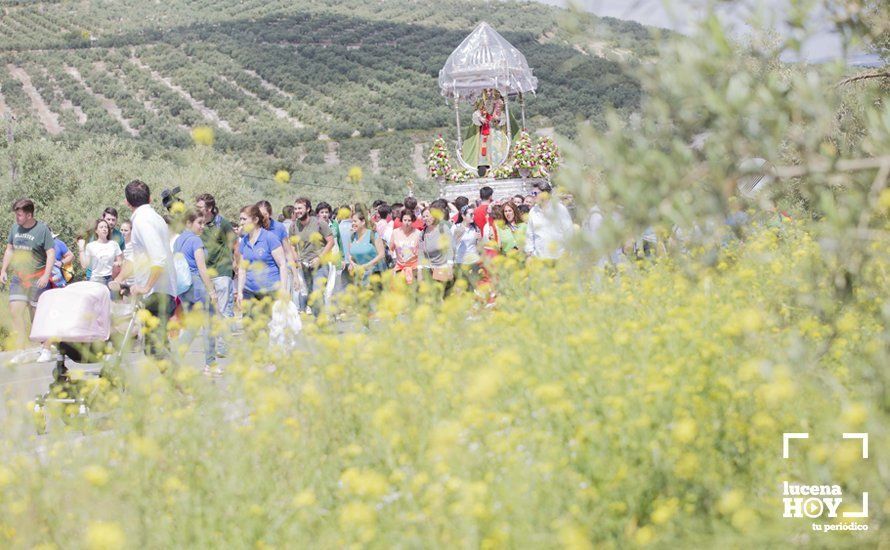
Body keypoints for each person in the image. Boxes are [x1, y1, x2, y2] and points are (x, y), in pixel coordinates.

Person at [110, 181, 177, 358]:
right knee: (156, 348)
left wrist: (146, 287)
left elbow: (159, 258)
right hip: (158, 292)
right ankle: (176, 383)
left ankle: (181, 384)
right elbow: (135, 258)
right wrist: (119, 279)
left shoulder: (143, 221)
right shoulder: (151, 218)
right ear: (150, 198)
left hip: (157, 292)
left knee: (155, 350)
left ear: (127, 202)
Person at [0, 199, 56, 355]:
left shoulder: (42, 230)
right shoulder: (14, 229)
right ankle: (21, 350)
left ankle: (46, 347)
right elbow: (10, 249)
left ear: (29, 214)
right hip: (19, 277)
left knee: (36, 316)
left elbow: (50, 253)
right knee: (15, 311)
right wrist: (3, 270)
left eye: (19, 215)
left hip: (37, 278)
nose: (17, 218)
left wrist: (46, 275)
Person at [174, 211, 219, 374]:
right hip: (197, 286)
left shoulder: (178, 240)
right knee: (209, 324)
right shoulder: (195, 240)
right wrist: (212, 291)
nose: (202, 226)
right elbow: (202, 269)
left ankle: (176, 356)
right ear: (189, 223)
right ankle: (211, 364)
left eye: (203, 223)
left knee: (193, 325)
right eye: (199, 223)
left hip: (184, 288)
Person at [196, 193, 236, 357]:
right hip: (205, 274)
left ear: (210, 208)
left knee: (224, 310)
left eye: (200, 207)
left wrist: (235, 264)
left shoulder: (222, 223)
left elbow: (234, 243)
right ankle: (210, 345)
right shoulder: (197, 224)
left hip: (222, 272)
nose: (197, 210)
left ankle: (222, 346)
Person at [236, 205, 287, 314]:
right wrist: (240, 292)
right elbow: (242, 269)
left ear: (255, 219)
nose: (241, 223)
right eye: (240, 219)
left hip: (270, 292)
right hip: (249, 292)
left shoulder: (270, 238)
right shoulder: (244, 241)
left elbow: (282, 265)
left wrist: (283, 289)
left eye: (244, 219)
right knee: (250, 328)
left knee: (268, 328)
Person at [288, 198, 334, 316]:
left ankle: (321, 322)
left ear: (308, 209)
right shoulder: (293, 226)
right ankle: (321, 320)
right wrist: (297, 259)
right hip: (305, 266)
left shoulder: (319, 223)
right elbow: (292, 246)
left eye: (300, 208)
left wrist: (320, 258)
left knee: (317, 292)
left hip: (321, 265)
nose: (297, 211)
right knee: (311, 296)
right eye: (296, 208)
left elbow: (331, 242)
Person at [525, 183, 575, 260]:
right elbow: (530, 234)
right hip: (539, 258)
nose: (533, 196)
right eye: (532, 193)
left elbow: (569, 232)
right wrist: (529, 254)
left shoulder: (560, 209)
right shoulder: (533, 211)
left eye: (535, 193)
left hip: (559, 257)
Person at [419, 200, 454, 296]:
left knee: (442, 296)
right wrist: (420, 271)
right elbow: (421, 253)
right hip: (429, 269)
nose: (426, 218)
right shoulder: (423, 233)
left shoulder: (443, 229)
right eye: (424, 216)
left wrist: (450, 267)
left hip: (442, 268)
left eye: (428, 215)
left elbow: (450, 249)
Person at [77, 219, 123, 290]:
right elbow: (84, 265)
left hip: (111, 279)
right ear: (96, 231)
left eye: (106, 227)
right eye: (101, 227)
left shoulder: (114, 244)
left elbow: (120, 261)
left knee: (111, 301)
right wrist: (81, 249)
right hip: (96, 280)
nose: (104, 229)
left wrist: (117, 264)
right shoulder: (91, 246)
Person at [348, 211, 385, 287]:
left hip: (375, 274)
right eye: (352, 221)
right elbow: (350, 254)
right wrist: (352, 264)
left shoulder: (373, 235)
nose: (352, 223)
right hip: (359, 275)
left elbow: (381, 254)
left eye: (355, 221)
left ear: (363, 222)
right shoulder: (352, 236)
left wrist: (366, 266)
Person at [451, 205, 482, 290]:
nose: (473, 216)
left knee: (473, 287)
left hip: (474, 262)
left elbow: (479, 247)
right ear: (463, 216)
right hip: (460, 262)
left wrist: (479, 239)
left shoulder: (475, 228)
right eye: (471, 214)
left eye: (473, 214)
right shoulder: (455, 227)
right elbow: (451, 246)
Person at [390, 210, 421, 284]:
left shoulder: (418, 233)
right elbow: (391, 248)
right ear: (401, 220)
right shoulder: (395, 232)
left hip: (414, 268)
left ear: (413, 221)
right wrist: (394, 261)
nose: (407, 223)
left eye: (409, 220)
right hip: (399, 268)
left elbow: (422, 251)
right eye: (405, 220)